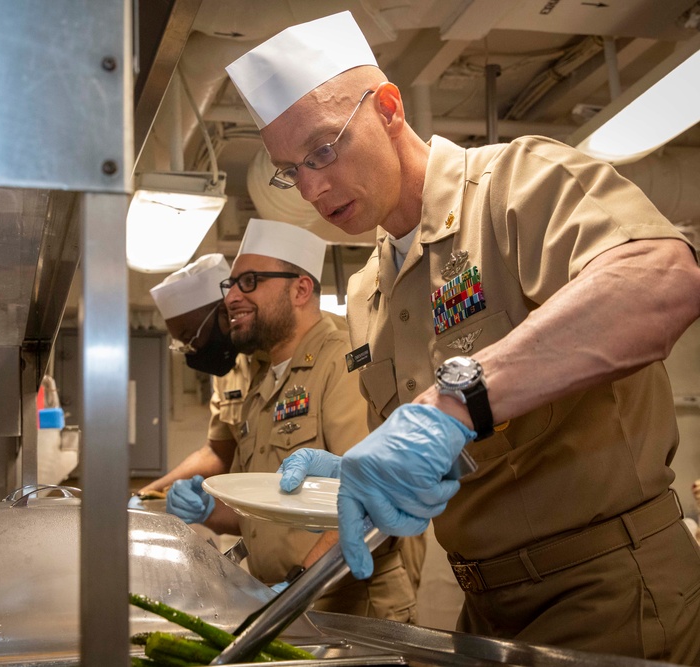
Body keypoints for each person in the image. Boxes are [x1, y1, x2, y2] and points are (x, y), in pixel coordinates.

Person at [224, 10, 700, 662]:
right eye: (290, 170)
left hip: (609, 585)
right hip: (483, 601)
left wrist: (453, 402)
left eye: (324, 149)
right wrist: (360, 480)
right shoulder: (369, 292)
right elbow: (449, 454)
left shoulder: (514, 185)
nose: (311, 186)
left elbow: (662, 280)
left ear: (389, 108)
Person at [163, 218, 424, 621]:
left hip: (348, 607)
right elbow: (274, 512)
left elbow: (369, 502)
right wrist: (209, 511)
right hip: (289, 603)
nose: (231, 297)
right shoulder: (263, 380)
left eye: (249, 281)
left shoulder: (342, 363)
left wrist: (300, 584)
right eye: (230, 285)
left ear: (301, 289)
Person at [135, 253, 254, 504]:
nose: (191, 350)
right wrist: (147, 494)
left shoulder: (299, 353)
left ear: (225, 313)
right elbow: (218, 452)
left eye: (189, 337)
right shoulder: (232, 369)